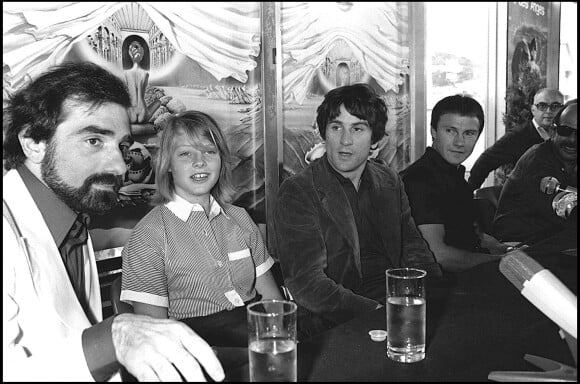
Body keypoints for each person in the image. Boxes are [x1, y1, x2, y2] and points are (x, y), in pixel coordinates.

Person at [3, 62, 224, 382]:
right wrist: (112, 338)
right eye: (94, 140)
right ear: (34, 142)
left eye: (121, 146)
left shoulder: (72, 222)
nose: (120, 165)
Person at [273, 84, 442, 340]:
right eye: (336, 127)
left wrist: (435, 297)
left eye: (358, 128)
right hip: (337, 321)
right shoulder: (298, 191)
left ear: (375, 138)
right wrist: (376, 313)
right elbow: (306, 283)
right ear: (324, 134)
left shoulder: (388, 180)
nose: (345, 140)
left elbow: (414, 249)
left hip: (396, 302)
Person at [120, 111, 283, 347]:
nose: (200, 161)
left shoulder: (240, 218)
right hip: (198, 352)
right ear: (167, 164)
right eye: (186, 153)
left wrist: (280, 347)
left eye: (210, 151)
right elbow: (156, 340)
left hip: (258, 343)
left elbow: (271, 301)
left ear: (221, 161)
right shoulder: (148, 237)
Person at [401, 95, 509, 273]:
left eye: (469, 133)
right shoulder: (420, 179)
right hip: (442, 290)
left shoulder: (453, 176)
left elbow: (470, 234)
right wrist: (500, 262)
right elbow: (437, 256)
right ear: (433, 131)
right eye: (450, 131)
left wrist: (507, 250)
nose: (459, 142)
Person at [493, 99, 577, 243]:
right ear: (553, 131)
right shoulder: (538, 159)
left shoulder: (571, 161)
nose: (573, 140)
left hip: (554, 244)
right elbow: (563, 209)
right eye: (566, 131)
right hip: (516, 247)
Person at [467, 88, 564, 189]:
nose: (548, 111)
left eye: (555, 106)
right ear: (533, 109)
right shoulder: (517, 136)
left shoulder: (567, 134)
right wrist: (469, 192)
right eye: (542, 106)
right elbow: (485, 161)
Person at [121, 36, 170, 124]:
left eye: (136, 47)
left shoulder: (126, 73)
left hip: (130, 112)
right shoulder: (145, 74)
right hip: (143, 113)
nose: (134, 50)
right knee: (158, 102)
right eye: (132, 48)